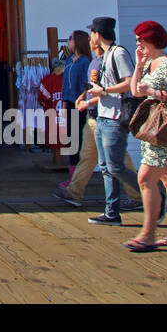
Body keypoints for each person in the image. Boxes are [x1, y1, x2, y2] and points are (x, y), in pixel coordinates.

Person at [123, 20, 167, 251]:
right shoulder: (151, 64)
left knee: (145, 179)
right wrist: (140, 65)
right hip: (156, 128)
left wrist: (153, 92)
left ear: (150, 39)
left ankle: (148, 234)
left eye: (139, 40)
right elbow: (134, 91)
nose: (137, 44)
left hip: (166, 128)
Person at [53, 47, 143, 208]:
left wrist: (88, 102)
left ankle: (139, 196)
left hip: (109, 115)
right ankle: (74, 192)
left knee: (118, 158)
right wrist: (83, 96)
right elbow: (91, 87)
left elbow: (108, 89)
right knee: (88, 155)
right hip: (94, 116)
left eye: (92, 34)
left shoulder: (111, 58)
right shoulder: (95, 61)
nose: (90, 39)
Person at [84, 16, 140, 225]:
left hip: (115, 118)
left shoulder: (118, 53)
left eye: (92, 33)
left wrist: (104, 90)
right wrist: (93, 98)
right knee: (106, 167)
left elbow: (130, 82)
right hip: (102, 116)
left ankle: (153, 193)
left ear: (98, 35)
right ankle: (111, 211)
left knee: (115, 167)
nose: (91, 37)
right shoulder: (105, 56)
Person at [60, 32, 92, 170]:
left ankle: (78, 172)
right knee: (71, 137)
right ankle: (73, 173)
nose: (68, 42)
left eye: (70, 39)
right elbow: (65, 84)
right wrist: (63, 103)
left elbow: (87, 83)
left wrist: (83, 98)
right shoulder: (69, 60)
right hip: (69, 103)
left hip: (80, 104)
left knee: (78, 137)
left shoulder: (85, 61)